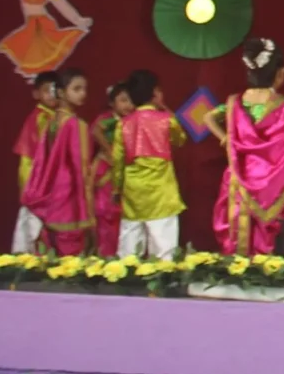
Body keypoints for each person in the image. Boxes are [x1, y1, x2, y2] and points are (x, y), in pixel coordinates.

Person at [203, 38, 284, 257]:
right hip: (267, 182)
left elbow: (208, 117)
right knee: (260, 232)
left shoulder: (235, 102)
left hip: (236, 176)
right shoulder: (282, 108)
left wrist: (226, 139)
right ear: (280, 73)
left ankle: (234, 268)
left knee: (234, 230)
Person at [20, 67, 99, 257]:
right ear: (62, 93)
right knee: (70, 254)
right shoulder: (76, 125)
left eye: (85, 89)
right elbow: (82, 168)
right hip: (69, 196)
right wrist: (88, 209)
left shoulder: (52, 121)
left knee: (51, 253)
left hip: (50, 193)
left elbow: (41, 161)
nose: (83, 94)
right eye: (77, 89)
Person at [111, 69, 186, 259]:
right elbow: (180, 139)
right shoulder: (166, 120)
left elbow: (117, 161)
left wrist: (117, 189)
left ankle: (126, 275)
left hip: (133, 193)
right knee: (164, 252)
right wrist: (163, 108)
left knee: (129, 252)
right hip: (161, 192)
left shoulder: (124, 124)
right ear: (155, 93)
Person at [9, 70, 61, 253]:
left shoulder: (56, 117)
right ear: (36, 94)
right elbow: (31, 158)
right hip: (37, 183)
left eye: (55, 91)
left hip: (46, 183)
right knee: (34, 228)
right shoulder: (41, 118)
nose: (51, 95)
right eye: (47, 91)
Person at [80, 70, 123, 256]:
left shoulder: (133, 120)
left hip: (124, 175)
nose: (128, 105)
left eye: (130, 100)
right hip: (105, 171)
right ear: (112, 103)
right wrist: (109, 151)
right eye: (123, 100)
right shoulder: (106, 120)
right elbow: (95, 131)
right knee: (104, 218)